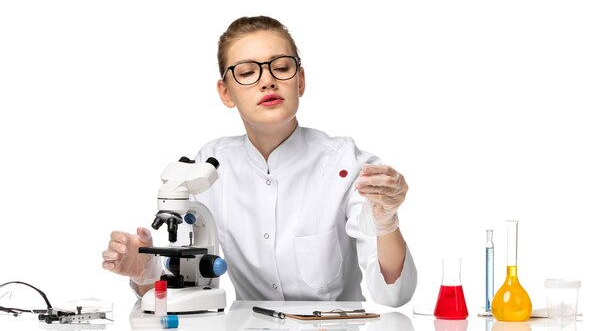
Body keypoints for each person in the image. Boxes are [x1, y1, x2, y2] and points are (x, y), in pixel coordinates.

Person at [102, 16, 417, 307]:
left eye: (280, 68)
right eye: (248, 72)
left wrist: (386, 220)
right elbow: (192, 291)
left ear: (300, 81)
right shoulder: (209, 168)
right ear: (226, 93)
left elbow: (392, 293)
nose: (267, 81)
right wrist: (143, 272)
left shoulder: (345, 164)